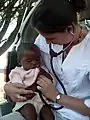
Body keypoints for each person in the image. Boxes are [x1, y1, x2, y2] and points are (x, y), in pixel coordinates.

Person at [1, 0, 90, 120]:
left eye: (51, 38)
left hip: (75, 116)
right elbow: (30, 69)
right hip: (39, 107)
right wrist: (9, 88)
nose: (47, 42)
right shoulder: (43, 41)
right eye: (44, 37)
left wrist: (56, 96)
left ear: (70, 29)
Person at [8, 42, 55, 120]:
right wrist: (25, 94)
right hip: (25, 101)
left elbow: (50, 80)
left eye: (37, 59)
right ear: (19, 62)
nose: (34, 63)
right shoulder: (18, 72)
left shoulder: (41, 70)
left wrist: (43, 73)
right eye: (29, 61)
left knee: (48, 113)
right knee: (30, 112)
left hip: (40, 100)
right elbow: (17, 86)